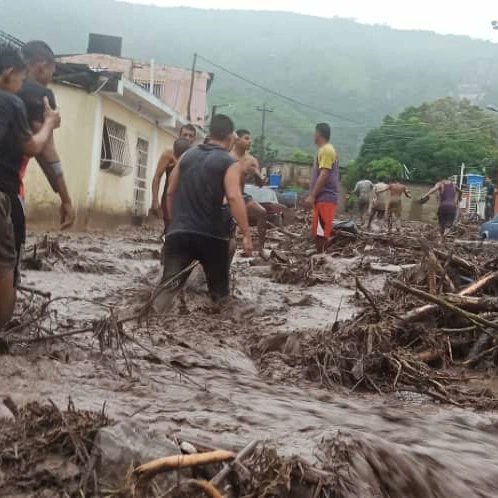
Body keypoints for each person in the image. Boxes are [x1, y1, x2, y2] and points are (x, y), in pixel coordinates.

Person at [158, 114, 252, 306]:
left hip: (180, 234)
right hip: (212, 237)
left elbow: (170, 192)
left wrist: (173, 222)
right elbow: (234, 197)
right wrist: (246, 234)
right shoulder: (229, 162)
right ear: (230, 138)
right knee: (220, 298)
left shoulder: (185, 156)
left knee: (166, 291)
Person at [0, 43, 60, 327]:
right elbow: (37, 147)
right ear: (8, 73)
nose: (22, 87)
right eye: (20, 80)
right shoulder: (10, 102)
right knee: (6, 270)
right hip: (4, 192)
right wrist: (49, 122)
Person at [18, 40, 75, 229]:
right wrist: (66, 199)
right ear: (42, 67)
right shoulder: (41, 95)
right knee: (9, 255)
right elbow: (47, 152)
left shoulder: (7, 89)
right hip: (7, 186)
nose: (52, 76)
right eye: (52, 71)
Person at [231, 129, 269, 258]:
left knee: (262, 212)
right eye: (246, 138)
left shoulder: (251, 160)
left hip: (242, 195)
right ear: (238, 140)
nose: (250, 141)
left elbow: (259, 185)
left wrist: (259, 176)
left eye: (250, 138)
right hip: (227, 196)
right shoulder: (228, 156)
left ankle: (261, 249)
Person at [150, 124, 197, 226]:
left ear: (194, 139)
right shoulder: (169, 153)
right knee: (170, 229)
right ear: (179, 136)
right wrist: (155, 201)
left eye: (190, 136)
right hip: (169, 198)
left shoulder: (196, 155)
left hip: (187, 201)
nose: (187, 138)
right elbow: (157, 176)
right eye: (185, 135)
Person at [305, 123, 339, 253]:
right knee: (319, 232)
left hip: (326, 197)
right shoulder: (323, 150)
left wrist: (312, 195)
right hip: (322, 198)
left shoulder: (327, 150)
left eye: (314, 133)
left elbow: (324, 174)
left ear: (318, 134)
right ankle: (320, 256)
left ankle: (322, 259)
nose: (313, 135)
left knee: (321, 232)